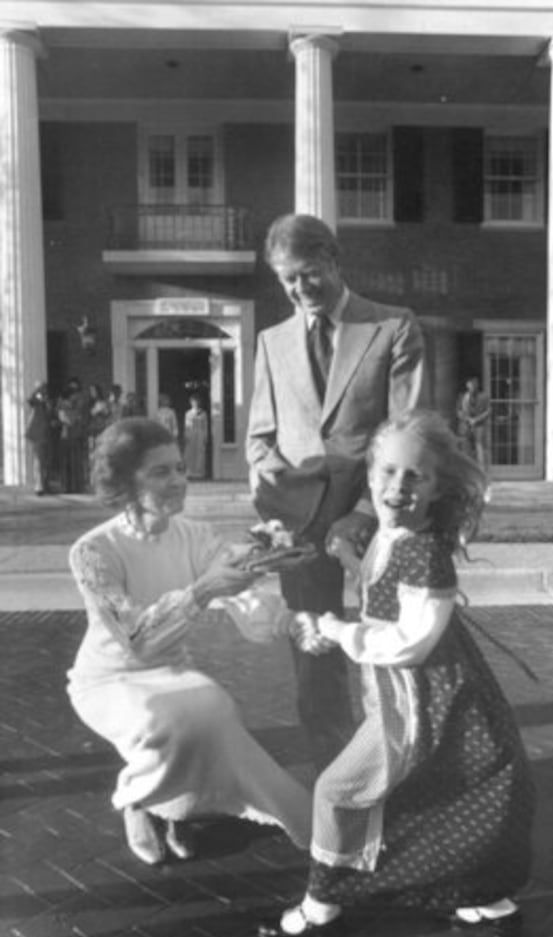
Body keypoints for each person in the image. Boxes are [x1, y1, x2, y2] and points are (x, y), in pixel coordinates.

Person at [258, 410, 534, 937]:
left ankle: (321, 910)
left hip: (429, 702)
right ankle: (488, 900)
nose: (398, 485)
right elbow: (378, 586)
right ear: (369, 475)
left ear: (437, 488)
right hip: (405, 694)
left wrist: (338, 631)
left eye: (416, 475)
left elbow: (411, 643)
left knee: (338, 791)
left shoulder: (425, 553)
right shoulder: (391, 535)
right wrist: (340, 562)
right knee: (438, 797)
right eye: (387, 471)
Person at [66, 417, 311, 866]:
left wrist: (287, 616)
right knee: (166, 720)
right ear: (125, 480)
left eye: (180, 468)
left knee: (213, 706)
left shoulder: (195, 535)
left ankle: (174, 806)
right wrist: (203, 591)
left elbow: (241, 590)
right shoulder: (92, 550)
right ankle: (136, 802)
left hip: (171, 667)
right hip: (107, 677)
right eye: (160, 472)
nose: (179, 481)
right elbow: (137, 639)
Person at [246, 213, 425, 769]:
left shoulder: (393, 327)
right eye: (288, 281)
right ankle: (336, 769)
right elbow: (259, 439)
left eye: (308, 274)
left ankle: (403, 754)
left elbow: (408, 435)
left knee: (394, 641)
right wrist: (276, 509)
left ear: (333, 260)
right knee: (313, 650)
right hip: (299, 524)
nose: (300, 290)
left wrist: (369, 512)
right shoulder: (271, 342)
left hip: (378, 517)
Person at [57, 376, 87, 493]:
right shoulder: (64, 407)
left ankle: (76, 486)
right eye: (73, 394)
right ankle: (67, 486)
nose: (75, 396)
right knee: (67, 461)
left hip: (75, 435)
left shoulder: (76, 406)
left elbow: (79, 418)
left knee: (75, 461)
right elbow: (68, 420)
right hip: (67, 436)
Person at [456, 376, 491, 472]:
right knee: (465, 448)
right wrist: (468, 419)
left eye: (474, 384)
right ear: (467, 385)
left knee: (480, 448)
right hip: (466, 426)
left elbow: (488, 411)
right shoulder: (462, 396)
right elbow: (458, 411)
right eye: (470, 384)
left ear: (477, 385)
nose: (472, 386)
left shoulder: (484, 397)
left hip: (479, 426)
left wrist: (477, 419)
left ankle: (482, 471)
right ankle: (467, 471)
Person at [25, 381, 53, 495]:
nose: (44, 391)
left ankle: (45, 485)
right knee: (39, 461)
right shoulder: (36, 401)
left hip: (46, 434)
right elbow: (30, 400)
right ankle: (39, 486)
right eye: (43, 389)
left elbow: (50, 414)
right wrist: (37, 390)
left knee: (45, 461)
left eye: (45, 389)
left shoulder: (46, 402)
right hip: (37, 435)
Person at [183, 392, 209, 479]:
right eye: (193, 401)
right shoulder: (188, 413)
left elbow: (205, 425)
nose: (195, 403)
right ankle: (190, 471)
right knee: (190, 453)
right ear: (191, 402)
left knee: (200, 452)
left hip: (200, 433)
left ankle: (199, 472)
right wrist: (186, 435)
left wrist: (205, 435)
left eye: (196, 401)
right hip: (191, 433)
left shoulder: (203, 413)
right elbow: (186, 425)